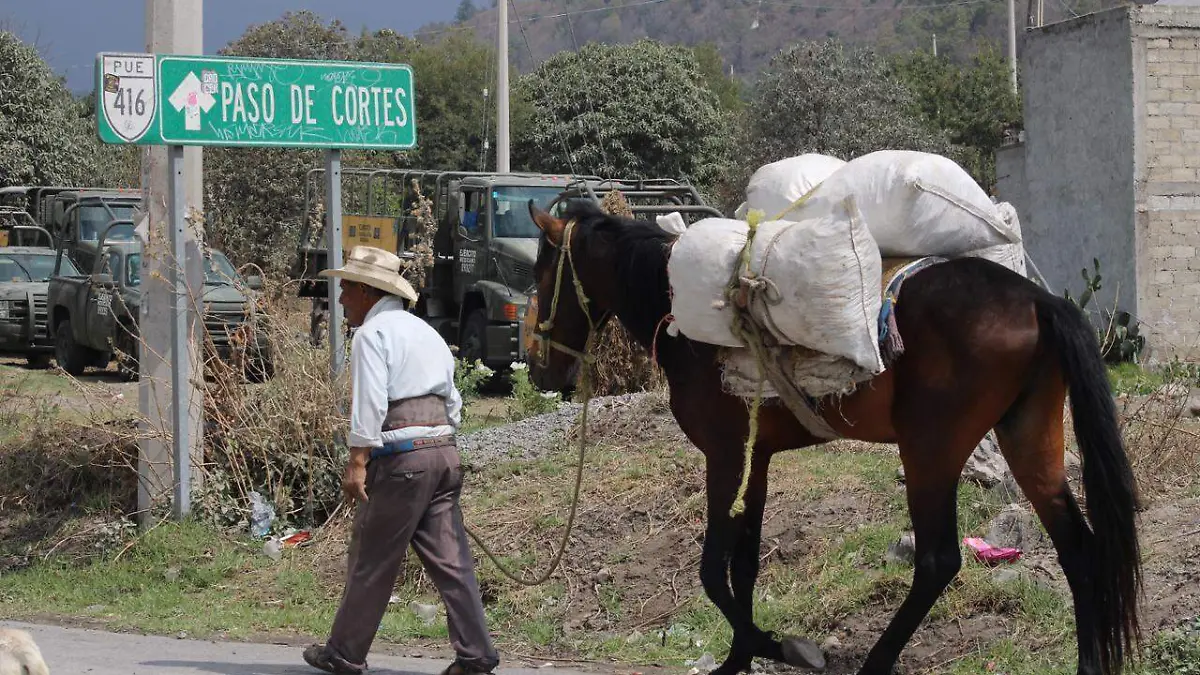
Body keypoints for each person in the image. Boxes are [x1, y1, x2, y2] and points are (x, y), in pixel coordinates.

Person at [303, 246, 500, 675]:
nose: (340, 301)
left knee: (373, 557)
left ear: (367, 291)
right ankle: (476, 654)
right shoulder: (425, 332)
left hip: (401, 461)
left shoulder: (372, 336)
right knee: (453, 561)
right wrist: (438, 447)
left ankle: (344, 653)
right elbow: (454, 402)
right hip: (443, 453)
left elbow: (370, 403)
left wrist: (357, 460)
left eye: (346, 290)